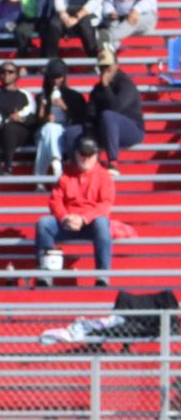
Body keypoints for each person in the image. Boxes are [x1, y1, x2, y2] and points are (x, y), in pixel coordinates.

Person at [34, 136, 115, 286]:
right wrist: (64, 217)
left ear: (96, 155)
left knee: (103, 223)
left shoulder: (104, 176)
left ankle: (103, 275)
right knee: (44, 223)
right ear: (76, 154)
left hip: (91, 223)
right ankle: (45, 272)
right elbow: (55, 200)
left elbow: (105, 205)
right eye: (82, 155)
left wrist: (84, 218)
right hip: (68, 221)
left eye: (89, 155)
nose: (85, 159)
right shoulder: (66, 176)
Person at [77, 48, 146, 163]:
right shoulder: (97, 89)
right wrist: (88, 139)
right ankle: (76, 163)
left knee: (108, 116)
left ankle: (113, 160)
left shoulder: (126, 84)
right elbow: (90, 115)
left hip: (132, 128)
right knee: (74, 132)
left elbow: (116, 108)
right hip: (106, 128)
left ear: (116, 66)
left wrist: (106, 87)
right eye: (102, 67)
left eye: (108, 66)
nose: (105, 70)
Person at [29, 57, 89, 177]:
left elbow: (80, 119)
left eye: (59, 76)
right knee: (50, 128)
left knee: (47, 135)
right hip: (45, 131)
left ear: (64, 77)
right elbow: (34, 123)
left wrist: (65, 107)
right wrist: (44, 117)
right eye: (53, 77)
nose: (56, 80)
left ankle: (39, 178)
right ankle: (56, 161)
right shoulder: (41, 97)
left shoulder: (75, 96)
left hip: (64, 131)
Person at [0, 60, 36, 174]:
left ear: (17, 75)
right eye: (3, 72)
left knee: (10, 129)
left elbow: (32, 119)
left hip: (17, 132)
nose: (6, 74)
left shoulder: (25, 94)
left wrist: (20, 119)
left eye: (10, 72)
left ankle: (8, 166)